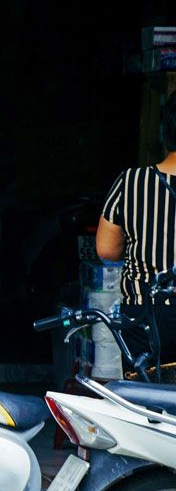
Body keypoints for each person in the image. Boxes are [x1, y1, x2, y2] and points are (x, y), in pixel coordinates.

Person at [95, 96, 176, 363]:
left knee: (145, 397)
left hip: (144, 315)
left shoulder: (131, 181)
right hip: (147, 317)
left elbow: (106, 249)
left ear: (165, 133)